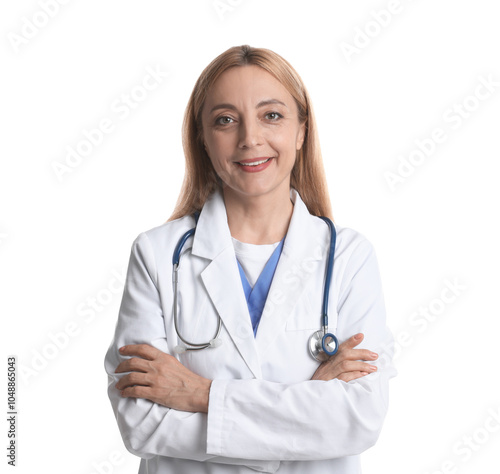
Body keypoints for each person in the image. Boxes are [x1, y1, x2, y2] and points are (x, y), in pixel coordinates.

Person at [104, 44, 397, 474]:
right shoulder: (156, 255)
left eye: (271, 115)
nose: (250, 139)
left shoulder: (349, 257)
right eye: (225, 120)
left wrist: (200, 395)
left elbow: (359, 419)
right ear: (202, 138)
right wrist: (306, 413)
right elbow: (142, 424)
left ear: (301, 131)